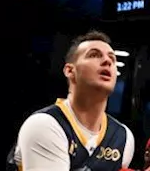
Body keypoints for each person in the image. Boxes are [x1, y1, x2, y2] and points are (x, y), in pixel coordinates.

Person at [7, 31, 135, 171]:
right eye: (94, 55)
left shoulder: (124, 137)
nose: (107, 61)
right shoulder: (44, 125)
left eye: (112, 58)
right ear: (69, 71)